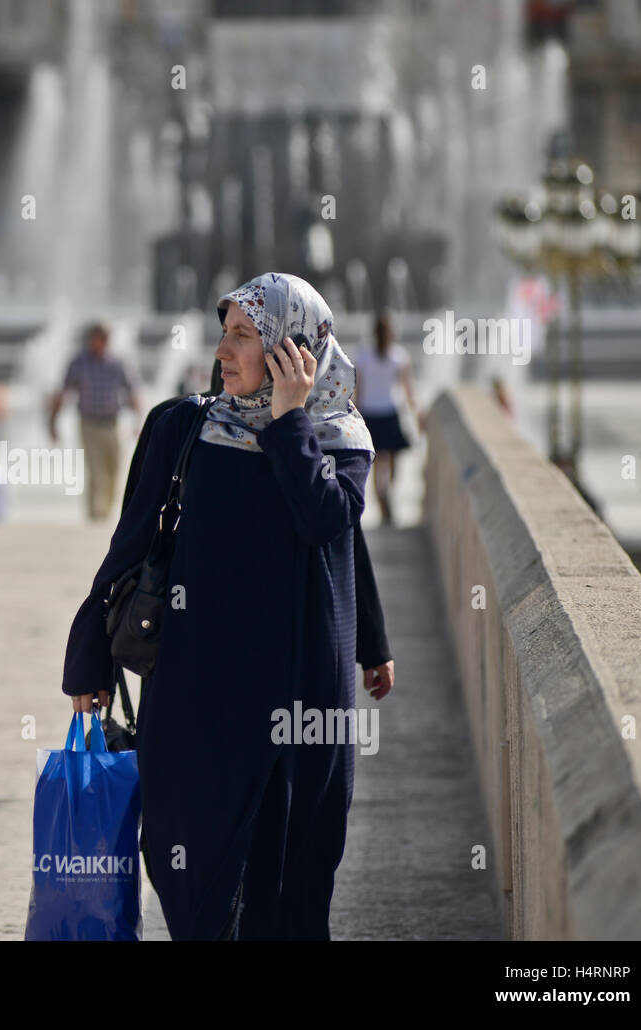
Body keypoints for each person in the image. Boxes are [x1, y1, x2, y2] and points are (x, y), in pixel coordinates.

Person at [62, 273, 380, 940]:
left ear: (294, 349)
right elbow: (132, 543)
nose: (224, 350)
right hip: (197, 682)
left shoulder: (338, 438)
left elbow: (332, 528)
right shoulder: (185, 426)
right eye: (225, 333)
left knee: (294, 868)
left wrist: (289, 421)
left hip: (300, 690)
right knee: (182, 850)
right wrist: (87, 655)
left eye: (243, 335)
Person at [119, 360, 395, 704]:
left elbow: (342, 534)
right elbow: (133, 537)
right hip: (183, 636)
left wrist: (373, 644)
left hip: (271, 638)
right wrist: (100, 654)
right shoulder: (178, 421)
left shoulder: (313, 428)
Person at [48, 322, 143, 521]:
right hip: (88, 423)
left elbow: (132, 392)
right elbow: (64, 392)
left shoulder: (117, 362)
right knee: (95, 468)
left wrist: (138, 421)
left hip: (112, 423)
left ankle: (107, 512)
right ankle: (95, 514)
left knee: (114, 468)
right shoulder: (79, 362)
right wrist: (53, 421)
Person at [354, 310, 422, 526]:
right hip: (387, 412)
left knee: (378, 462)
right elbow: (408, 391)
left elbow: (358, 392)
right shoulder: (398, 356)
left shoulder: (366, 356)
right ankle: (386, 495)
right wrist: (417, 413)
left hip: (372, 413)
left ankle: (384, 497)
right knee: (392, 460)